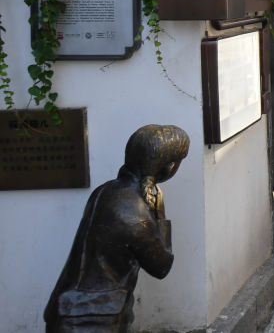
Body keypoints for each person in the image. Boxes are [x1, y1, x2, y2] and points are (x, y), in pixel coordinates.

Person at [45, 125, 190, 332]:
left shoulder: (104, 191)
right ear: (169, 167)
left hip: (68, 308)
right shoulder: (135, 214)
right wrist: (159, 215)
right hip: (94, 319)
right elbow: (161, 266)